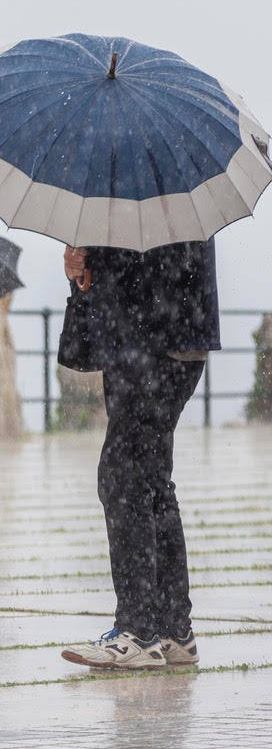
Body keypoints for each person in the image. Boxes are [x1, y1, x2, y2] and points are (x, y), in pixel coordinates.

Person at [59, 241, 219, 670]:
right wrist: (83, 271)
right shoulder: (168, 183)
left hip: (150, 339)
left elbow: (142, 251)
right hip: (170, 336)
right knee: (149, 480)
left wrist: (93, 260)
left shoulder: (140, 188)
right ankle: (172, 630)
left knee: (122, 477)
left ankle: (139, 632)